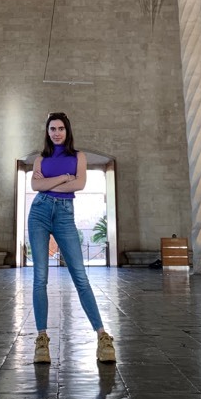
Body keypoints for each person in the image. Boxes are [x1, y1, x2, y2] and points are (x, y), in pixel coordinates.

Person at [28, 112, 116, 364]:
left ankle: (102, 336)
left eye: (61, 128)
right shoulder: (39, 160)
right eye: (52, 128)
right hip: (39, 214)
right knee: (40, 277)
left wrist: (50, 184)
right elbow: (36, 188)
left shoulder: (79, 157)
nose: (56, 132)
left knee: (80, 275)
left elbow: (79, 185)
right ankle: (42, 339)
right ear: (47, 132)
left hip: (65, 216)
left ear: (67, 131)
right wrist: (64, 179)